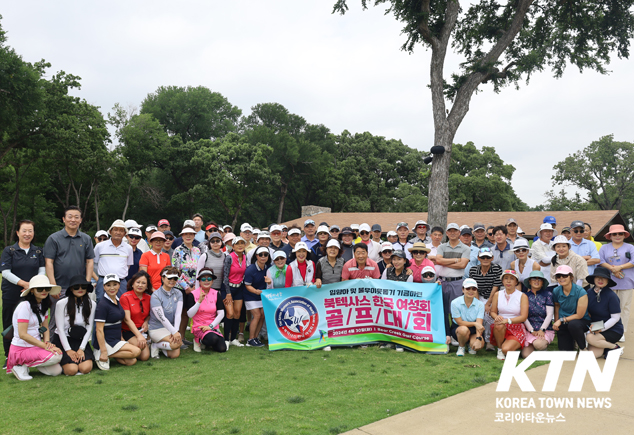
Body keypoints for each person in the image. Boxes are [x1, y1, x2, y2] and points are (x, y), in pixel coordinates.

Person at [1, 220, 46, 369]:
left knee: (34, 322)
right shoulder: (9, 251)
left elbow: (42, 270)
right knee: (9, 324)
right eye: (24, 231)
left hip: (32, 295)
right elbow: (5, 272)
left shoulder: (38, 251)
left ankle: (33, 352)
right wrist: (25, 284)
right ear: (18, 233)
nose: (27, 234)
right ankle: (9, 357)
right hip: (12, 294)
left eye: (30, 231)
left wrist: (33, 286)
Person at [43, 205, 95, 335]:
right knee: (56, 318)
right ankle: (52, 346)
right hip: (60, 287)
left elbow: (89, 261)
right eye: (70, 217)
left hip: (79, 288)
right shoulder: (54, 238)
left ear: (81, 220)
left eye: (76, 217)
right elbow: (49, 262)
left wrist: (87, 283)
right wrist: (53, 285)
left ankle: (76, 344)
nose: (73, 220)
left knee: (78, 317)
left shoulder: (86, 239)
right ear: (64, 219)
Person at [7, 275, 63, 380]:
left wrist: (47, 343)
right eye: (40, 289)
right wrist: (44, 346)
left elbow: (45, 327)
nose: (44, 291)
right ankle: (19, 365)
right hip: (21, 348)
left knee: (57, 371)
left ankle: (30, 363)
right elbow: (22, 334)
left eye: (47, 289)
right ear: (32, 290)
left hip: (36, 346)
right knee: (57, 356)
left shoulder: (44, 305)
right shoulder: (24, 306)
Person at [93, 274, 141, 369]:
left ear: (119, 285)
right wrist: (103, 351)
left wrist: (122, 340)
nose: (112, 288)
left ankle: (110, 355)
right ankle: (100, 354)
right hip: (107, 341)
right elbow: (99, 330)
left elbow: (118, 324)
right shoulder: (102, 305)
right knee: (136, 351)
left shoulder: (117, 300)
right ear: (103, 287)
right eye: (108, 285)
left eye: (115, 284)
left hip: (116, 339)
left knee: (132, 361)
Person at [53, 275, 96, 376]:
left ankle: (77, 359)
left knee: (86, 368)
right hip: (63, 339)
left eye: (83, 287)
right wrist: (68, 350)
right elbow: (60, 329)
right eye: (76, 287)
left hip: (81, 340)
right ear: (71, 289)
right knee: (71, 370)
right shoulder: (61, 304)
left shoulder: (92, 304)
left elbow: (89, 327)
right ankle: (61, 364)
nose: (80, 289)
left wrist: (82, 349)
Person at [435, 223, 470, 344]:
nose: (453, 233)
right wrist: (456, 259)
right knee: (443, 310)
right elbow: (438, 260)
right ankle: (446, 334)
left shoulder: (465, 248)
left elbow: (463, 265)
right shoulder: (442, 247)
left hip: (457, 282)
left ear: (459, 233)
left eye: (455, 231)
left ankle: (455, 335)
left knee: (456, 310)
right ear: (447, 233)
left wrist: (445, 262)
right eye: (450, 231)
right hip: (442, 281)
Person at [599, 224, 634, 341]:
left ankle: (621, 331)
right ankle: (609, 329)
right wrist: (612, 269)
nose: (617, 236)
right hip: (609, 281)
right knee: (609, 306)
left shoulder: (630, 247)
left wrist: (619, 267)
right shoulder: (604, 248)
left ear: (624, 235)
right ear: (610, 236)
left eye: (620, 233)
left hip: (627, 281)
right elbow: (601, 261)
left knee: (624, 306)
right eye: (614, 234)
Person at [585, 267, 624, 358]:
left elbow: (615, 318)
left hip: (613, 329)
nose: (600, 280)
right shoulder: (589, 293)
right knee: (593, 355)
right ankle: (607, 348)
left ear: (608, 281)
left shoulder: (611, 296)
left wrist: (601, 328)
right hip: (596, 327)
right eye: (597, 277)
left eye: (603, 277)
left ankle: (615, 347)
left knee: (590, 338)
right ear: (594, 279)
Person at [490, 269, 529, 360]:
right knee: (499, 325)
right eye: (506, 278)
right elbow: (492, 312)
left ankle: (508, 347)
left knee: (507, 349)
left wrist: (507, 320)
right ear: (502, 281)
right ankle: (500, 348)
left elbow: (523, 317)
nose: (508, 281)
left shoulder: (522, 296)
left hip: (517, 327)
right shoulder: (497, 294)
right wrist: (497, 317)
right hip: (501, 326)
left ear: (516, 282)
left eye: (512, 279)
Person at [186, 268, 227, 353]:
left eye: (209, 279)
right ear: (199, 281)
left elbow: (221, 313)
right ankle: (198, 340)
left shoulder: (216, 293)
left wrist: (210, 326)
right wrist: (199, 302)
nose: (206, 281)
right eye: (203, 279)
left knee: (222, 348)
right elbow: (190, 314)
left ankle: (207, 341)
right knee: (213, 338)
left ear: (212, 281)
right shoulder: (193, 294)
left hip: (212, 326)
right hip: (199, 326)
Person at [469, 247, 502, 350]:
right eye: (483, 257)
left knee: (489, 315)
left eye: (488, 257)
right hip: (477, 296)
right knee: (478, 313)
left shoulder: (497, 268)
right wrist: (478, 303)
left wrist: (488, 304)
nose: (485, 259)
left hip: (493, 296)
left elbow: (495, 287)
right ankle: (477, 338)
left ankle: (489, 341)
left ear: (492, 258)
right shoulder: (474, 270)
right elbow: (474, 288)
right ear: (479, 258)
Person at [93, 219, 133, 303]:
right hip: (103, 281)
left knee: (122, 305)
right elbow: (93, 264)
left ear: (125, 234)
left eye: (121, 230)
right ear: (110, 232)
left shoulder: (128, 248)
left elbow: (127, 265)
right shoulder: (100, 246)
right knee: (101, 304)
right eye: (115, 230)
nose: (118, 232)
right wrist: (98, 279)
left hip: (121, 282)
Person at [552, 265, 591, 351]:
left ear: (571, 277)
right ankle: (573, 338)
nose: (561, 278)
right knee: (565, 351)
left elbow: (579, 315)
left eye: (565, 275)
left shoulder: (581, 291)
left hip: (581, 321)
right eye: (558, 276)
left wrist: (560, 320)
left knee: (573, 325)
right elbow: (557, 305)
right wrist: (556, 321)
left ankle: (583, 348)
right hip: (563, 322)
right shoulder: (556, 291)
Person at [148, 267, 184, 359]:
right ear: (162, 278)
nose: (172, 281)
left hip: (170, 328)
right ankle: (155, 345)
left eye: (175, 278)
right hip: (157, 328)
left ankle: (159, 346)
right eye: (169, 278)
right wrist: (174, 332)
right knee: (176, 344)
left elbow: (178, 314)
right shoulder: (155, 295)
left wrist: (176, 331)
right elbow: (161, 317)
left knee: (174, 354)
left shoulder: (179, 293)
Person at [521, 270, 555, 358]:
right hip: (530, 330)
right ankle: (535, 345)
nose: (537, 281)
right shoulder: (524, 296)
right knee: (525, 355)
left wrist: (542, 330)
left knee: (539, 345)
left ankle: (542, 346)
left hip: (544, 329)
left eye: (539, 279)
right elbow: (523, 316)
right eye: (534, 278)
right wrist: (531, 330)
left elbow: (550, 314)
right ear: (529, 281)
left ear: (543, 282)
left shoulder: (548, 294)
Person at [120, 271, 152, 362]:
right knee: (142, 355)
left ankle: (132, 348)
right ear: (132, 283)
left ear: (147, 286)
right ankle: (121, 350)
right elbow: (127, 319)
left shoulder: (148, 298)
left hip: (142, 330)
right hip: (128, 331)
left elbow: (149, 314)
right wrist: (139, 336)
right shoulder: (125, 297)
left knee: (145, 356)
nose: (140, 285)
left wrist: (146, 321)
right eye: (138, 282)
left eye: (143, 283)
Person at [223, 236, 248, 347]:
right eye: (237, 243)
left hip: (239, 288)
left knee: (237, 314)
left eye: (242, 243)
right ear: (233, 246)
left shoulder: (245, 257)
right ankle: (226, 339)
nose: (240, 245)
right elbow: (225, 276)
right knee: (230, 313)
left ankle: (233, 338)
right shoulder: (229, 257)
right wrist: (228, 293)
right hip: (228, 288)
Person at [450, 278, 485, 356]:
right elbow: (459, 322)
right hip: (459, 328)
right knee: (463, 330)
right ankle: (461, 346)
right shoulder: (455, 302)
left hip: (474, 329)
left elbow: (479, 324)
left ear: (476, 290)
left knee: (480, 345)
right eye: (468, 288)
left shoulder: (480, 304)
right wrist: (475, 324)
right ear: (463, 289)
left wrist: (478, 338)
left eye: (474, 288)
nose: (471, 291)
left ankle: (470, 344)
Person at [244, 247, 270, 347]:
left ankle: (256, 337)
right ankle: (250, 339)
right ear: (256, 256)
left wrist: (269, 281)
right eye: (261, 255)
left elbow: (269, 281)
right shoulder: (251, 269)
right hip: (250, 295)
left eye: (265, 254)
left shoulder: (268, 267)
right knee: (257, 315)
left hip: (261, 295)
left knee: (262, 315)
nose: (263, 257)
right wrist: (255, 291)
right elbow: (247, 285)